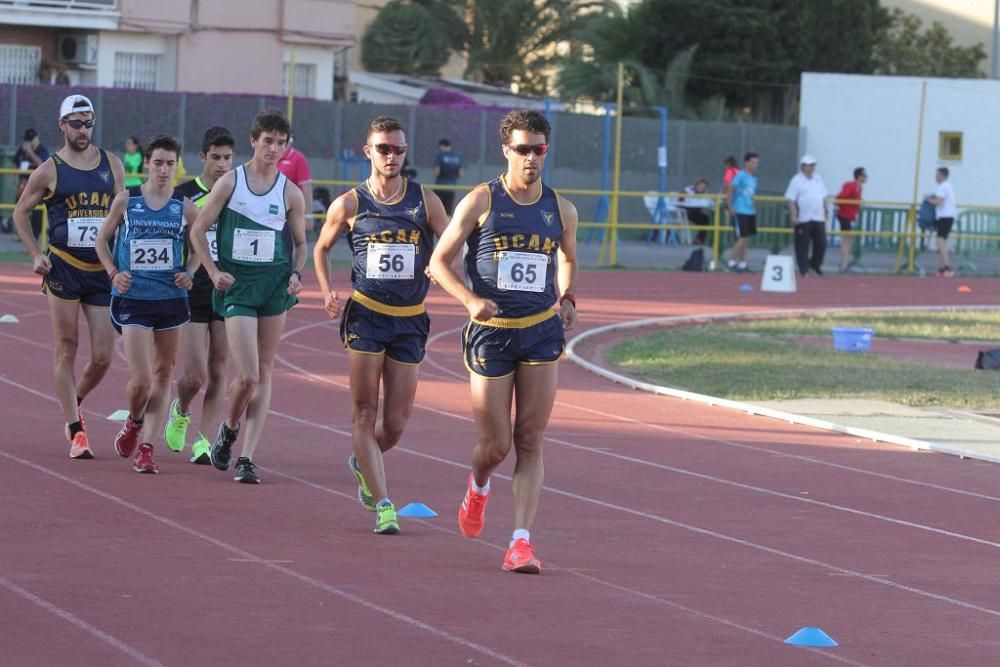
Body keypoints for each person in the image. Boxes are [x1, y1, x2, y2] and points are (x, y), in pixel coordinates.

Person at [428, 109, 579, 574]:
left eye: (539, 150)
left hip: (540, 330)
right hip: (491, 335)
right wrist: (470, 300)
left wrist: (568, 295)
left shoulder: (561, 209)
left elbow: (568, 259)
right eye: (522, 149)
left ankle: (520, 542)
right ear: (506, 151)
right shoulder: (480, 201)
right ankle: (478, 486)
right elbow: (438, 262)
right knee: (494, 446)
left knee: (529, 438)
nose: (531, 158)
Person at [314, 116, 449, 535]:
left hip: (409, 320)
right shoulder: (350, 204)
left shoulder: (425, 201)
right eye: (384, 148)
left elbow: (450, 243)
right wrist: (326, 290)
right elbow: (321, 248)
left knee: (394, 423)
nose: (392, 156)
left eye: (399, 150)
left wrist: (439, 265)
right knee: (363, 411)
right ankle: (383, 502)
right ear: (367, 150)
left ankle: (361, 461)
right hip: (366, 315)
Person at [189, 109, 307, 484]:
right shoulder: (230, 183)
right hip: (237, 286)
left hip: (273, 287)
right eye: (267, 141)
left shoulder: (290, 191)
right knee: (248, 375)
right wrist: (212, 270)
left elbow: (302, 244)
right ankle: (228, 425)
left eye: (280, 143)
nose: (273, 148)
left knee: (266, 371)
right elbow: (198, 231)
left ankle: (246, 457)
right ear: (254, 141)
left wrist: (295, 274)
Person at [12, 94, 124, 459]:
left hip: (100, 270)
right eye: (75, 123)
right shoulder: (49, 169)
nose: (83, 129)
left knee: (105, 356)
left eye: (88, 122)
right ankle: (77, 430)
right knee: (67, 347)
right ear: (62, 125)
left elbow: (123, 213)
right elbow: (19, 213)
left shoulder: (112, 164)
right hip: (62, 267)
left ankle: (72, 401)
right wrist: (35, 254)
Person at [95, 135, 199, 474]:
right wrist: (113, 273)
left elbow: (201, 246)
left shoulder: (185, 207)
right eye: (158, 163)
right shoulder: (127, 201)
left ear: (177, 165)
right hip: (133, 299)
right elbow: (101, 241)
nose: (164, 170)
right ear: (147, 164)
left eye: (170, 163)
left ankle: (148, 449)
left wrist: (189, 271)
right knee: (140, 381)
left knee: (163, 374)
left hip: (171, 300)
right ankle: (135, 421)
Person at [163, 127, 236, 464]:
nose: (222, 165)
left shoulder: (240, 193)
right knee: (195, 375)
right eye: (216, 157)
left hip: (228, 287)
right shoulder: (185, 195)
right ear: (203, 157)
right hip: (194, 288)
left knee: (220, 368)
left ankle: (204, 440)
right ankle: (181, 409)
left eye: (228, 158)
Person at [785, 154, 829, 276]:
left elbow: (824, 196)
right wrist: (794, 215)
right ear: (802, 167)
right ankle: (803, 269)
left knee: (822, 242)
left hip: (818, 217)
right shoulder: (796, 180)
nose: (810, 168)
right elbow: (790, 199)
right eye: (807, 165)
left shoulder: (818, 179)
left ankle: (814, 265)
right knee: (802, 245)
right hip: (803, 217)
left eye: (812, 165)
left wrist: (826, 211)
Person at [9, 129, 50, 238]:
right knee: (19, 208)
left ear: (36, 138)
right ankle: (20, 234)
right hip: (23, 184)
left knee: (37, 211)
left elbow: (42, 163)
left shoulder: (41, 150)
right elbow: (15, 161)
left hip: (37, 187)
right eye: (28, 140)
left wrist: (30, 152)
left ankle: (35, 235)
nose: (29, 143)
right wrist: (13, 177)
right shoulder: (22, 150)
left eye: (31, 140)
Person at [725, 152, 759, 272]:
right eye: (753, 162)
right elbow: (730, 190)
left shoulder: (754, 179)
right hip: (740, 210)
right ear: (747, 162)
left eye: (757, 162)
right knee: (742, 237)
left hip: (750, 211)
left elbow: (751, 195)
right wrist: (730, 207)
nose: (756, 165)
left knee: (746, 238)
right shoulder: (740, 175)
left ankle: (743, 263)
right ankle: (731, 260)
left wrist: (753, 206)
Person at [925, 167, 957, 277]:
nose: (935, 177)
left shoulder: (943, 186)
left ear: (943, 175)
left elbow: (939, 202)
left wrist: (928, 200)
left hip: (945, 217)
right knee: (940, 242)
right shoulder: (947, 186)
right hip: (946, 217)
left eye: (937, 175)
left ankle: (947, 267)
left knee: (941, 241)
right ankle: (943, 267)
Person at [834, 167, 867, 273]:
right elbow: (840, 197)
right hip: (844, 216)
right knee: (846, 240)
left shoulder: (859, 188)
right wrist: (839, 208)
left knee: (848, 240)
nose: (866, 178)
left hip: (850, 217)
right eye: (864, 175)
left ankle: (844, 263)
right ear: (859, 176)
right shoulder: (850, 185)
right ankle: (843, 265)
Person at [277, 135, 313, 225]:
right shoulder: (270, 156)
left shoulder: (298, 158)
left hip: (291, 212)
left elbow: (306, 188)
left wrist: (308, 216)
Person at [433, 137, 464, 215]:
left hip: (440, 186)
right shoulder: (457, 157)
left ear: (441, 146)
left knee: (437, 211)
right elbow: (460, 174)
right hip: (451, 187)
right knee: (448, 212)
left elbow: (437, 172)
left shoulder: (440, 155)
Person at [680, 178, 711, 246]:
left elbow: (709, 201)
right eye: (700, 186)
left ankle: (699, 239)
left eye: (704, 188)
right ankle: (700, 239)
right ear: (696, 185)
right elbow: (680, 200)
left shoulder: (705, 193)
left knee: (707, 220)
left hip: (697, 212)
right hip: (687, 212)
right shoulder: (687, 190)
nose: (702, 188)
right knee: (705, 220)